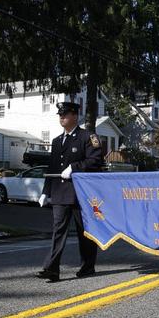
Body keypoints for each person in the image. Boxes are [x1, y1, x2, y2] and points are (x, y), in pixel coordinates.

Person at [37, 102, 103, 282]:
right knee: (58, 230)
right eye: (60, 115)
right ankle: (51, 269)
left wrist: (74, 167)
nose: (61, 117)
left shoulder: (87, 137)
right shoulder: (57, 141)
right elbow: (52, 167)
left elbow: (95, 161)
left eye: (65, 114)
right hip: (60, 193)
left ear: (75, 116)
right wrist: (46, 191)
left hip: (80, 194)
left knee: (84, 232)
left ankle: (88, 266)